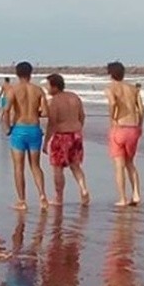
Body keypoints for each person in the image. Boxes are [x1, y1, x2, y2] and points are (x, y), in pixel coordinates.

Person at [1, 61, 50, 210]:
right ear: (31, 73)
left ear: (17, 74)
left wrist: (7, 128)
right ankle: (42, 195)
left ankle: (22, 200)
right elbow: (46, 112)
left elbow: (6, 111)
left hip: (19, 130)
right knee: (35, 166)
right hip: (34, 129)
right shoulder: (38, 90)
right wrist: (35, 113)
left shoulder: (13, 90)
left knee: (18, 167)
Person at [42, 74, 90, 206]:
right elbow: (82, 116)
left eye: (48, 85)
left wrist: (46, 142)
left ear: (55, 86)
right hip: (76, 134)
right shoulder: (74, 97)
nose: (46, 88)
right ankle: (84, 189)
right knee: (75, 166)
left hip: (62, 136)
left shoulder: (55, 101)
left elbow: (52, 123)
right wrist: (78, 129)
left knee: (57, 168)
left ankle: (59, 197)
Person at [104, 61, 144, 206]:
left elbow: (113, 103)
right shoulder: (133, 89)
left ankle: (122, 198)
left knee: (119, 164)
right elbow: (141, 108)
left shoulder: (110, 88)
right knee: (130, 163)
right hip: (133, 127)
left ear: (110, 74)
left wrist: (112, 118)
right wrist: (140, 125)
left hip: (119, 127)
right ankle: (136, 194)